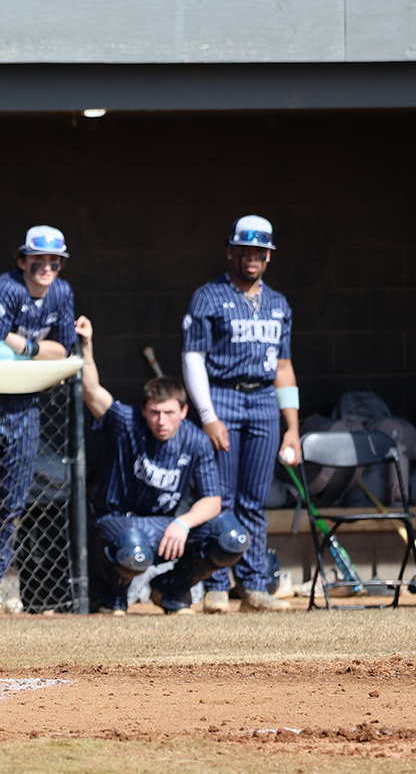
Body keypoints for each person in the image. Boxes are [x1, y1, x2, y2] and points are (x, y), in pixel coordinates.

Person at [77, 316, 250, 615]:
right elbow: (91, 391)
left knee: (231, 537)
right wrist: (87, 344)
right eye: (154, 412)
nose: (161, 420)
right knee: (133, 545)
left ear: (183, 411)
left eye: (169, 412)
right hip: (118, 522)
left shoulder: (195, 440)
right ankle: (112, 597)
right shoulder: (127, 423)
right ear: (144, 411)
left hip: (165, 524)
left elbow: (213, 501)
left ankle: (171, 589)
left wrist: (182, 523)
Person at [0, 226, 77, 615]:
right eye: (39, 260)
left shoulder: (61, 292)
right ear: (22, 261)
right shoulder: (6, 289)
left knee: (12, 503)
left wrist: (20, 343)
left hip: (26, 407)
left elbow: (64, 349)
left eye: (55, 261)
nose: (47, 267)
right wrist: (39, 352)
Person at [181, 215, 297, 614]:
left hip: (264, 399)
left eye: (259, 252)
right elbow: (192, 358)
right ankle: (215, 584)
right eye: (244, 251)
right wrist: (208, 415)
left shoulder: (278, 303)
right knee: (220, 497)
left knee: (254, 500)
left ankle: (253, 586)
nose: (252, 258)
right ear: (230, 252)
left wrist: (292, 427)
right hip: (223, 395)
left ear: (269, 256)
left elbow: (284, 367)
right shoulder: (208, 296)